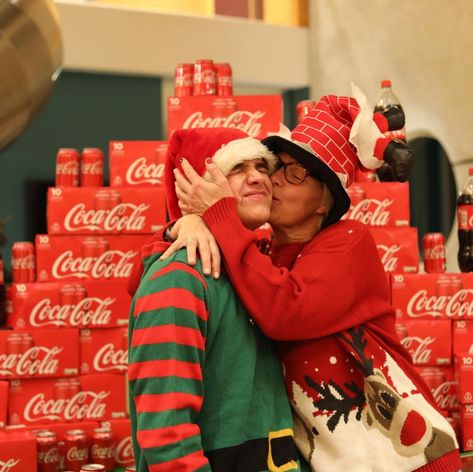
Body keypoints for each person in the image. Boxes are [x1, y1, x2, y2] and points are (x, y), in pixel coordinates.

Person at [164, 85, 462, 471]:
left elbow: (286, 312)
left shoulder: (349, 242)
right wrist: (184, 225)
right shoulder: (261, 255)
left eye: (297, 173)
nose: (276, 181)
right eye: (277, 167)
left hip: (408, 461)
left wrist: (220, 216)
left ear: (325, 200)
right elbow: (142, 275)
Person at [127, 127, 304, 472]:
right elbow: (167, 434)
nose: (258, 178)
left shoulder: (255, 270)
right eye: (237, 168)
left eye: (262, 166)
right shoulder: (179, 278)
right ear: (194, 185)